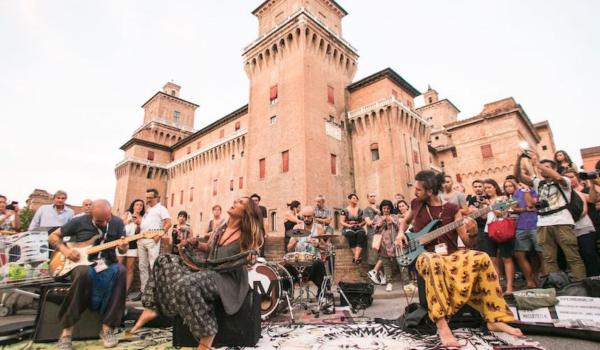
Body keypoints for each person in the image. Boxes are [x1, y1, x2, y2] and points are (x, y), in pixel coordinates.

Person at [395, 171, 522, 347]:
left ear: (430, 191)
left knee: (482, 257)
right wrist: (401, 233)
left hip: (451, 254)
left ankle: (495, 318)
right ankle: (442, 325)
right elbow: (405, 222)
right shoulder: (415, 204)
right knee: (434, 262)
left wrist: (474, 231)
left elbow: (469, 242)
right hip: (425, 256)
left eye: (418, 190)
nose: (414, 192)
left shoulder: (452, 210)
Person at [130, 197, 263, 350]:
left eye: (240, 203)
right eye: (236, 200)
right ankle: (151, 308)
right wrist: (194, 243)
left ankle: (207, 334)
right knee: (164, 260)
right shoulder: (221, 228)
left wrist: (251, 259)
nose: (234, 202)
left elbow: (252, 255)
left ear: (247, 212)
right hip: (209, 272)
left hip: (227, 280)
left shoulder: (246, 235)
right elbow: (209, 247)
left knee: (187, 284)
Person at [48, 200, 128, 350]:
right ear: (90, 214)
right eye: (100, 221)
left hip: (106, 262)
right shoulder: (79, 221)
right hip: (81, 263)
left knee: (121, 271)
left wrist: (123, 247)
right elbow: (53, 236)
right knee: (83, 274)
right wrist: (66, 251)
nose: (104, 223)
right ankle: (66, 333)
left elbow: (123, 249)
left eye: (107, 219)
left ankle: (107, 328)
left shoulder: (117, 223)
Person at [515, 152, 586, 281]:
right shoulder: (538, 183)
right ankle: (556, 284)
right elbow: (518, 176)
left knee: (572, 256)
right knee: (549, 259)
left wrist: (537, 164)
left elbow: (558, 178)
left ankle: (580, 284)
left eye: (547, 167)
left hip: (562, 221)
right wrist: (519, 159)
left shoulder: (565, 181)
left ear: (554, 169)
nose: (544, 169)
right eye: (542, 167)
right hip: (543, 223)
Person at [480, 179, 516, 294]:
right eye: (485, 188)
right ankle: (498, 286)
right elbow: (484, 217)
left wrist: (490, 205)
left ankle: (510, 287)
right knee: (492, 259)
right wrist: (482, 207)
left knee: (506, 258)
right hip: (488, 230)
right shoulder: (487, 201)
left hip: (502, 229)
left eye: (489, 187)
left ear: (495, 187)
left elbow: (501, 213)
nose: (487, 190)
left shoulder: (503, 198)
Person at [564, 169, 600, 277]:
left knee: (589, 254)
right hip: (568, 229)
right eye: (567, 178)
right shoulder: (562, 193)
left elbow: (593, 199)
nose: (570, 180)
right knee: (577, 257)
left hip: (584, 227)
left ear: (577, 178)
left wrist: (592, 183)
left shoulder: (580, 192)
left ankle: (595, 279)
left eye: (571, 177)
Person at [286, 206, 328, 296]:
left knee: (319, 263)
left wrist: (317, 245)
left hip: (314, 262)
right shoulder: (297, 227)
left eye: (309, 216)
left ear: (313, 216)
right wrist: (295, 241)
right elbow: (288, 248)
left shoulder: (318, 228)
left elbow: (325, 247)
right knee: (286, 266)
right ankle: (287, 294)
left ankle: (322, 294)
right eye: (304, 216)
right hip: (299, 262)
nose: (306, 218)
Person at [511, 181, 545, 288]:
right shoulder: (517, 192)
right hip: (521, 226)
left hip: (536, 224)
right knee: (519, 254)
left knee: (541, 254)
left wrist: (526, 191)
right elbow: (513, 208)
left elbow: (531, 203)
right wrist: (524, 209)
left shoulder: (536, 190)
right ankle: (530, 281)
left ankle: (545, 279)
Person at [138, 188, 171, 294]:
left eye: (150, 198)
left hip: (152, 240)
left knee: (153, 265)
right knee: (142, 266)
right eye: (147, 197)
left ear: (158, 198)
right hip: (141, 239)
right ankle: (144, 291)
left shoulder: (161, 209)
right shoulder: (148, 210)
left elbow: (168, 223)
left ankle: (154, 291)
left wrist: (160, 235)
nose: (148, 200)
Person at [372, 200, 399, 292]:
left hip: (395, 242)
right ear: (381, 209)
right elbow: (375, 229)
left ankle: (407, 282)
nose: (386, 210)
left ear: (390, 208)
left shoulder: (394, 216)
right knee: (386, 264)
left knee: (400, 262)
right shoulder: (377, 217)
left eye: (388, 208)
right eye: (384, 208)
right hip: (383, 244)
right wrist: (381, 222)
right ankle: (389, 283)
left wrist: (393, 222)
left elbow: (399, 228)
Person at [119, 199, 144, 298]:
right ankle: (115, 289)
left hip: (133, 243)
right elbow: (120, 225)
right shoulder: (127, 214)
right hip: (123, 241)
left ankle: (125, 292)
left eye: (141, 205)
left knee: (130, 269)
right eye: (137, 204)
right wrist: (129, 220)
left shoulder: (142, 218)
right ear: (133, 206)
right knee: (118, 266)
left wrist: (138, 224)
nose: (139, 207)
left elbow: (139, 232)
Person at [340, 194, 366, 264]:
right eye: (354, 198)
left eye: (356, 198)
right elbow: (341, 221)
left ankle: (356, 257)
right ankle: (357, 257)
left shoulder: (360, 210)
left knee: (361, 234)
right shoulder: (344, 210)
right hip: (348, 228)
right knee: (350, 234)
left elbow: (364, 221)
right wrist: (348, 225)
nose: (355, 200)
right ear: (349, 200)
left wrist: (360, 224)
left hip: (358, 227)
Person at [363, 193, 382, 282]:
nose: (373, 197)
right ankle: (373, 277)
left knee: (382, 255)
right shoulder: (366, 210)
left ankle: (381, 276)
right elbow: (368, 222)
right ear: (367, 198)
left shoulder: (379, 207)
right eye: (371, 196)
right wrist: (378, 221)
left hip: (382, 234)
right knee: (372, 256)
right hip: (372, 234)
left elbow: (384, 216)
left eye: (374, 196)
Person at [466, 180, 488, 250]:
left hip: (486, 227)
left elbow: (485, 215)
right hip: (475, 228)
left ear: (483, 187)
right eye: (475, 187)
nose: (477, 188)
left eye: (480, 186)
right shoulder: (470, 199)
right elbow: (469, 212)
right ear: (473, 188)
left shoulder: (487, 198)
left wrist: (476, 210)